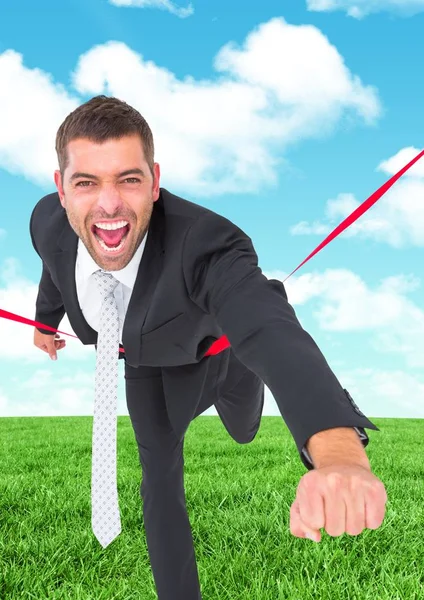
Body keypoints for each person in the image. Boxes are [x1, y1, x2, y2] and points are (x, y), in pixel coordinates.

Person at [30, 95, 387, 600]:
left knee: (243, 431)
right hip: (146, 363)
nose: (108, 205)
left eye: (129, 180)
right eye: (86, 182)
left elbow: (268, 328)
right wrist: (47, 322)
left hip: (222, 351)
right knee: (158, 480)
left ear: (155, 182)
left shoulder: (206, 242)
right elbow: (54, 265)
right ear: (61, 189)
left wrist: (338, 454)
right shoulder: (48, 221)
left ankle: (240, 380)